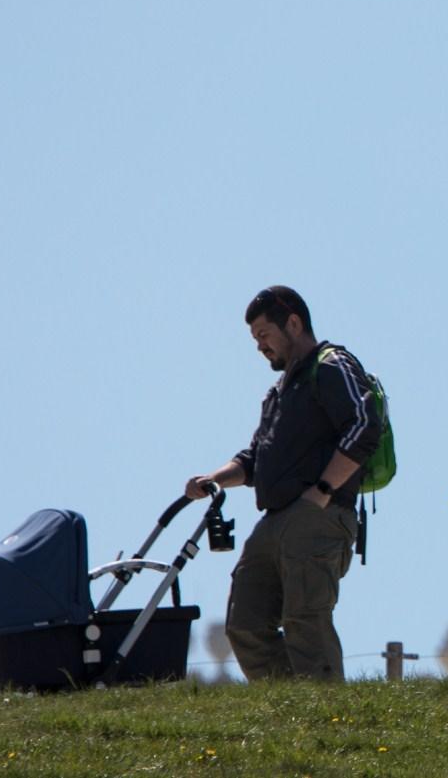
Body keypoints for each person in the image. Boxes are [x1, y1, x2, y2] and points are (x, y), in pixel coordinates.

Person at [183, 286, 382, 681]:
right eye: (255, 339)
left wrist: (321, 493)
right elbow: (255, 459)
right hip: (274, 520)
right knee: (245, 623)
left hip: (318, 515)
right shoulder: (278, 393)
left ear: (293, 323)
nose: (259, 346)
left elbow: (365, 425)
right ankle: (292, 713)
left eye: (263, 334)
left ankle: (328, 720)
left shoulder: (331, 364)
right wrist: (213, 479)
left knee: (305, 619)